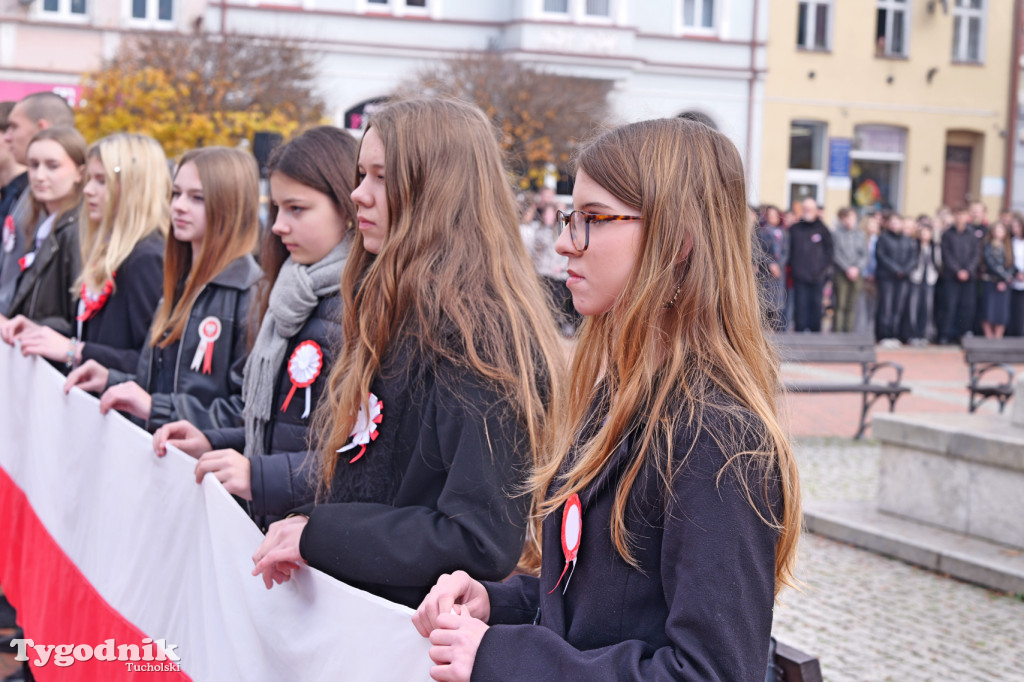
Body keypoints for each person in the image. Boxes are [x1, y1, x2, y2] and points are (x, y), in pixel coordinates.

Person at [413, 118, 800, 681]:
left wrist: (500, 657)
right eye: (573, 218)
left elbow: (710, 672)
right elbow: (601, 607)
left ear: (678, 241)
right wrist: (498, 604)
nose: (567, 241)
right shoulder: (624, 395)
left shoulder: (716, 436)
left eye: (594, 219)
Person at [249, 98, 566, 609]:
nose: (357, 194)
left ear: (435, 191)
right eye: (360, 174)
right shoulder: (393, 306)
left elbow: (480, 539)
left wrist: (320, 533)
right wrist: (306, 521)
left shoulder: (482, 340)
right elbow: (373, 484)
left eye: (380, 177)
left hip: (406, 640)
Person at [151, 127, 358, 531]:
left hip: (316, 533)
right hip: (275, 523)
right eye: (277, 208)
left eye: (296, 209)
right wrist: (216, 440)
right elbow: (277, 427)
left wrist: (260, 477)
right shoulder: (291, 289)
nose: (278, 225)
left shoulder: (360, 305)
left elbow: (362, 457)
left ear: (346, 208)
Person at [63, 147, 261, 432]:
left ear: (230, 205)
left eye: (197, 198)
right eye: (176, 193)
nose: (179, 206)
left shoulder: (250, 294)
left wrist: (156, 409)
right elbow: (161, 380)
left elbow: (247, 412)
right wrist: (113, 379)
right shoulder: (180, 280)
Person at [1, 133, 169, 373]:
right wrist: (40, 333)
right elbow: (89, 335)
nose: (88, 190)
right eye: (90, 179)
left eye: (102, 181)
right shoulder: (111, 250)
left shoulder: (146, 258)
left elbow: (153, 365)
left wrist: (74, 351)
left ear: (134, 186)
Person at [0, 127, 85, 342]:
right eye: (33, 165)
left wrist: (16, 326)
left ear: (80, 173)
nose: (39, 176)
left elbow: (77, 318)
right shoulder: (35, 219)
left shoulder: (78, 231)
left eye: (52, 166)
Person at [0, 92, 75, 315]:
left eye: (13, 127)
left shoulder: (74, 219)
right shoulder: (26, 196)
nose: (8, 137)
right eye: (34, 166)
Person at [788, 197, 833, 332]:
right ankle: (800, 330)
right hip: (800, 275)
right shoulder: (795, 229)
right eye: (805, 209)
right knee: (800, 305)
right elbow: (789, 250)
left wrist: (823, 269)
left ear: (815, 211)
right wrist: (795, 268)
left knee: (816, 304)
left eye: (810, 209)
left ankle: (815, 331)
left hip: (818, 275)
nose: (808, 211)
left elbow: (829, 251)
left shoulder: (823, 229)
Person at [938, 206, 981, 344]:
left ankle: (962, 334)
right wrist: (958, 271)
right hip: (951, 276)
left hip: (969, 277)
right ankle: (945, 334)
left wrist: (968, 270)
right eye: (957, 215)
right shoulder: (947, 234)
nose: (960, 218)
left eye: (963, 215)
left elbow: (976, 254)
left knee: (966, 307)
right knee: (949, 306)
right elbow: (946, 254)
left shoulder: (972, 234)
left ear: (967, 217)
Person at [874, 212, 916, 345]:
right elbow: (881, 256)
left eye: (897, 222)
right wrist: (896, 269)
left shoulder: (909, 240)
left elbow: (913, 257)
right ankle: (884, 334)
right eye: (892, 222)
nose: (895, 225)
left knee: (899, 306)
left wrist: (905, 270)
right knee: (886, 306)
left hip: (903, 278)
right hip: (887, 277)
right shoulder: (883, 238)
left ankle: (895, 334)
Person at [832, 206, 868, 334]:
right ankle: (838, 331)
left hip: (856, 273)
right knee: (840, 304)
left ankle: (849, 332)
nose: (849, 221)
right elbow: (836, 254)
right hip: (841, 273)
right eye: (846, 218)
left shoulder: (861, 235)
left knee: (851, 304)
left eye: (851, 218)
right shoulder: (836, 234)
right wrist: (847, 268)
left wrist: (856, 268)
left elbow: (864, 254)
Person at [905, 218, 940, 345]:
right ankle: (913, 334)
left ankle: (924, 334)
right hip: (916, 279)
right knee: (913, 307)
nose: (925, 235)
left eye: (927, 232)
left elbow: (938, 263)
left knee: (927, 307)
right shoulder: (914, 245)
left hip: (929, 280)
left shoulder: (934, 247)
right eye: (922, 232)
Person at [980, 221, 1016, 339]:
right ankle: (989, 336)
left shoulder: (1009, 247)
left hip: (1004, 284)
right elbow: (991, 264)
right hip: (990, 281)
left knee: (1002, 311)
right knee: (988, 310)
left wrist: (1006, 280)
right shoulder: (988, 245)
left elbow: (1012, 265)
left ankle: (998, 337)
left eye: (1000, 230)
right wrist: (1003, 277)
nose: (998, 232)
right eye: (996, 230)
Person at [756, 204, 789, 331]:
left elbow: (786, 251)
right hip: (766, 272)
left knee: (779, 301)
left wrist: (779, 265)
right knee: (766, 300)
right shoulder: (760, 232)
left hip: (779, 272)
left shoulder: (784, 233)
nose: (773, 217)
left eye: (775, 215)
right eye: (770, 215)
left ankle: (777, 328)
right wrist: (771, 264)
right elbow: (759, 251)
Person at [1009, 213, 1024, 337]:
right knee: (1016, 310)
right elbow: (1009, 260)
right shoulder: (1010, 242)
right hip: (1014, 280)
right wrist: (1017, 273)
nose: (1015, 229)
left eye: (1017, 226)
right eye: (1012, 227)